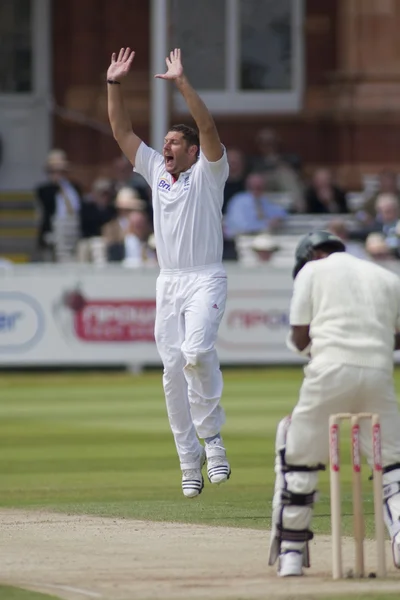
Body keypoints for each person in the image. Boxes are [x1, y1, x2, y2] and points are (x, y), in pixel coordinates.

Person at [107, 47, 231, 498]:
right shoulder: (157, 170)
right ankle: (188, 458)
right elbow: (121, 131)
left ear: (193, 151)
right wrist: (114, 83)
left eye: (175, 143)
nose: (166, 147)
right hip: (170, 281)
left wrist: (181, 83)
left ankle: (213, 441)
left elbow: (209, 127)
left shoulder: (210, 172)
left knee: (196, 352)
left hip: (205, 277)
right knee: (172, 369)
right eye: (165, 143)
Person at [268, 230, 400, 577]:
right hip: (378, 372)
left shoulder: (311, 272)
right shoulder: (386, 275)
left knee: (299, 459)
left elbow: (299, 338)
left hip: (329, 371)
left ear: (310, 256)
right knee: (394, 465)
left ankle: (292, 555)